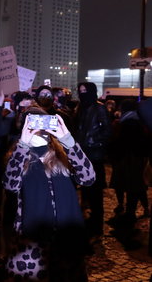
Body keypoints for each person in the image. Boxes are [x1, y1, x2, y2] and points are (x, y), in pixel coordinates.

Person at [3, 110, 95, 281]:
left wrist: (68, 139)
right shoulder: (18, 153)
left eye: (43, 120)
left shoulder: (63, 151)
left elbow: (88, 178)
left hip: (66, 233)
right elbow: (10, 184)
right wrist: (23, 144)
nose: (39, 126)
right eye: (33, 121)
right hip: (33, 237)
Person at [74, 82, 111, 237]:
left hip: (94, 156)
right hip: (82, 155)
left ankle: (96, 226)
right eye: (80, 91)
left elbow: (107, 131)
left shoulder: (99, 107)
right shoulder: (80, 108)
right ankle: (88, 222)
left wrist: (94, 143)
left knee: (95, 194)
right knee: (86, 191)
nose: (82, 93)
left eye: (85, 91)